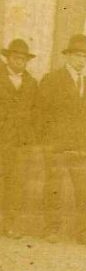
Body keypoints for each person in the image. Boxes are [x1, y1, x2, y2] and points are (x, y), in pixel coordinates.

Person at [38, 34, 86, 246]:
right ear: (68, 57)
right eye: (77, 55)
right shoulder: (52, 79)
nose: (81, 60)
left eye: (85, 56)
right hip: (56, 143)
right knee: (54, 186)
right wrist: (48, 140)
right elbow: (41, 112)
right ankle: (51, 229)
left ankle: (84, 232)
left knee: (84, 188)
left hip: (80, 145)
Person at [0, 39, 38, 239]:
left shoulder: (31, 82)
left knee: (15, 184)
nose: (19, 62)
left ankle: (9, 225)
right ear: (7, 59)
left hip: (18, 142)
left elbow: (35, 112)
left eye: (23, 59)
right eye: (15, 58)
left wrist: (28, 135)